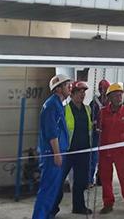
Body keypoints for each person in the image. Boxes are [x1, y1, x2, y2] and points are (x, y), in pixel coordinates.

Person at [32, 74, 72, 219]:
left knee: (53, 190)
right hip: (52, 154)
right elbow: (52, 133)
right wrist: (56, 153)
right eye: (67, 85)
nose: (70, 87)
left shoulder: (57, 104)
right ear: (58, 89)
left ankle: (46, 216)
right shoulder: (51, 106)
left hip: (57, 152)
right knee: (48, 190)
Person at [52, 81, 93, 216]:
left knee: (80, 181)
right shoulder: (64, 109)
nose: (82, 95)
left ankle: (79, 207)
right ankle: (52, 208)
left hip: (83, 151)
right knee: (59, 180)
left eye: (83, 92)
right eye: (79, 92)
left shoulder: (87, 109)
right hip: (67, 151)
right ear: (72, 94)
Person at [98, 82, 124, 214]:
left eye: (120, 95)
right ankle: (108, 203)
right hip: (105, 151)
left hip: (120, 151)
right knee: (105, 178)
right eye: (115, 95)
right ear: (109, 97)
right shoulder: (102, 112)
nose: (118, 97)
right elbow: (99, 130)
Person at [90, 79, 110, 185]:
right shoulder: (94, 103)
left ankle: (100, 178)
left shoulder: (110, 103)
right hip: (96, 135)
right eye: (103, 90)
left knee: (104, 158)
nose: (104, 92)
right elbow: (91, 119)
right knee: (93, 158)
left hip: (107, 135)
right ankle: (89, 179)